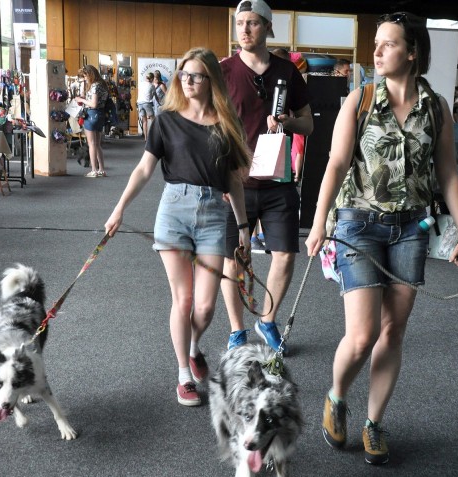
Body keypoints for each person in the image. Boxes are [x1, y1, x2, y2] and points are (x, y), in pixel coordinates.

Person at [304, 12, 458, 465]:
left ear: (413, 52)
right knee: (361, 336)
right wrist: (320, 222)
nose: (376, 51)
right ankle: (337, 397)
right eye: (376, 43)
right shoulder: (359, 100)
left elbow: (447, 173)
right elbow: (336, 165)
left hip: (411, 230)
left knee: (392, 332)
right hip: (358, 224)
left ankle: (375, 423)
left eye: (388, 44)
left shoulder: (436, 107)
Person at [104, 47, 251, 407]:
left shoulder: (225, 123)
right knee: (183, 300)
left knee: (205, 307)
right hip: (174, 209)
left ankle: (192, 346)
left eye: (196, 75)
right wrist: (120, 207)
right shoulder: (166, 120)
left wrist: (244, 227)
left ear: (211, 80)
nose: (187, 81)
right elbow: (143, 169)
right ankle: (183, 374)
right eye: (184, 74)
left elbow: (233, 180)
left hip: (214, 213)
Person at [221, 0, 313, 353]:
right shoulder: (224, 70)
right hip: (236, 183)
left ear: (268, 28)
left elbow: (309, 122)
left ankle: (267, 321)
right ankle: (236, 331)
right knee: (234, 258)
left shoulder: (287, 72)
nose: (244, 29)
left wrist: (289, 122)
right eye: (240, 23)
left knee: (286, 254)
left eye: (253, 23)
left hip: (278, 180)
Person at [271, 47, 306, 185]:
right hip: (282, 133)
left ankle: (292, 176)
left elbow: (307, 123)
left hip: (285, 131)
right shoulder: (285, 80)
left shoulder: (290, 81)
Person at [74, 65, 108, 178]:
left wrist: (81, 100)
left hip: (91, 114)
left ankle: (93, 170)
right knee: (97, 144)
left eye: (85, 75)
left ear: (90, 74)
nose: (85, 78)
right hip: (100, 115)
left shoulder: (94, 86)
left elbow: (93, 104)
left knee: (91, 144)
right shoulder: (102, 85)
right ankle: (101, 169)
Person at [137, 72, 156, 137]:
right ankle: (154, 136)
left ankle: (146, 138)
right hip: (147, 103)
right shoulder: (152, 85)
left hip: (140, 103)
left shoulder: (141, 84)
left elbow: (139, 92)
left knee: (144, 121)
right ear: (152, 79)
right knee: (153, 120)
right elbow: (153, 96)